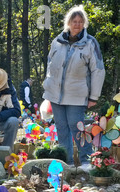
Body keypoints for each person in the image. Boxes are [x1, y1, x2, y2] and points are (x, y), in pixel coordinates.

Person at [42, 5, 105, 169]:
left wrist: (94, 96)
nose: (77, 24)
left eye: (80, 21)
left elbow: (98, 70)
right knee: (61, 128)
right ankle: (67, 163)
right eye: (74, 21)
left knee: (78, 128)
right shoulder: (57, 41)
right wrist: (48, 87)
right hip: (55, 94)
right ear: (68, 23)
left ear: (84, 23)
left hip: (77, 94)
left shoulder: (90, 43)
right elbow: (50, 65)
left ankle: (85, 161)